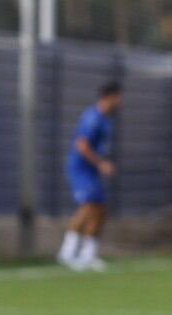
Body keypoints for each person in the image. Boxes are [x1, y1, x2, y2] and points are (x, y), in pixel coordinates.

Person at [59, 82, 123, 272]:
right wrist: (101, 163)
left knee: (101, 209)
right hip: (81, 169)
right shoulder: (92, 118)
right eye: (119, 97)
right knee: (88, 206)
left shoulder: (107, 120)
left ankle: (88, 255)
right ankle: (68, 252)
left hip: (93, 170)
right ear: (109, 97)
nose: (121, 102)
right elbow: (82, 145)